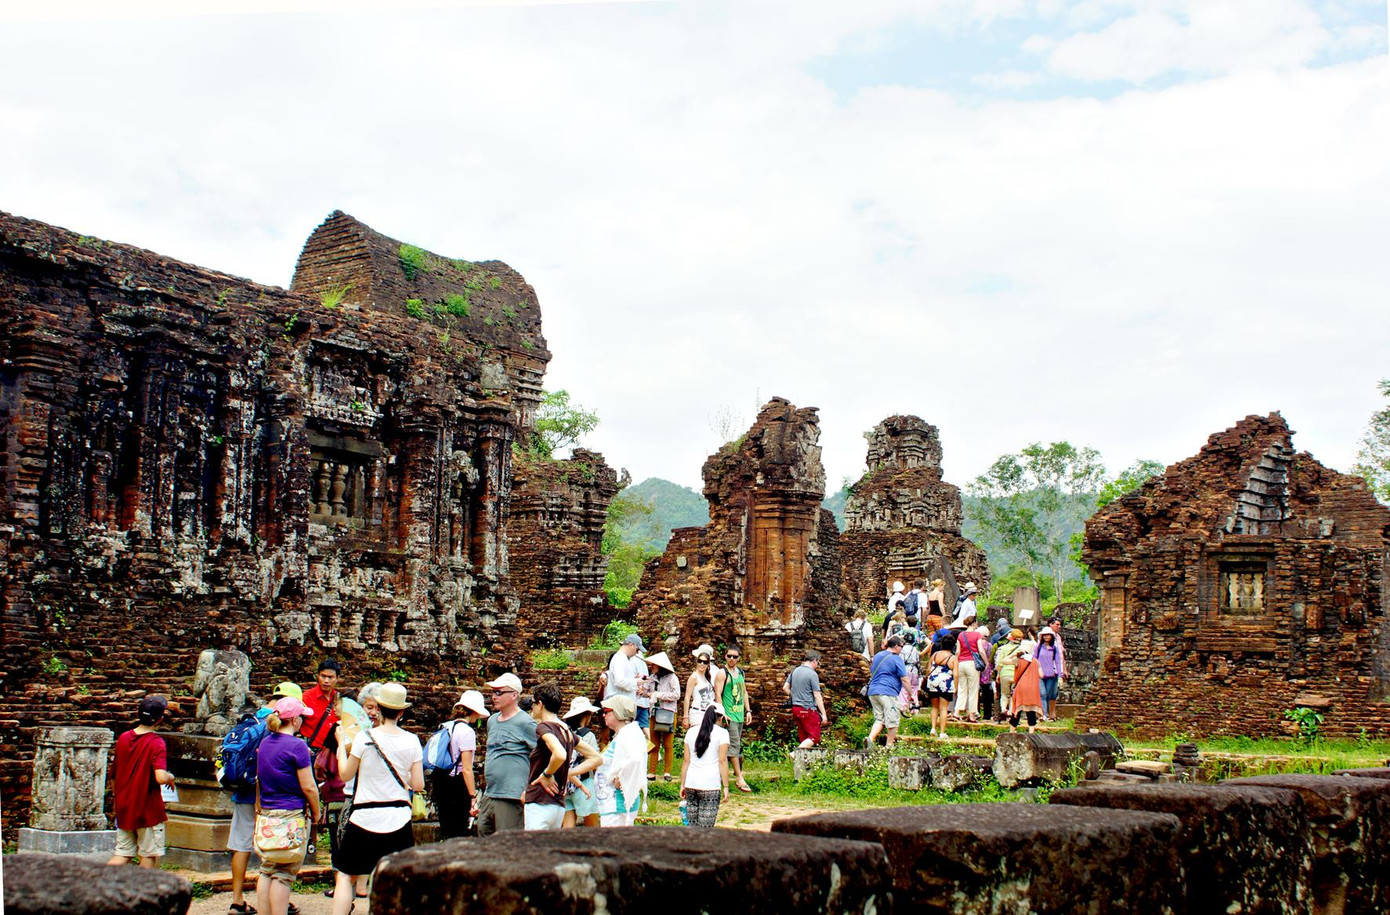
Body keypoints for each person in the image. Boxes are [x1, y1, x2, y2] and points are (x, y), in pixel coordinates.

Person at [330, 683, 421, 915]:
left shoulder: (364, 738)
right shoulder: (412, 740)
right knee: (398, 877)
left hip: (364, 816)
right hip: (398, 816)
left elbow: (345, 775)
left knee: (346, 875)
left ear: (379, 708)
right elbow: (418, 784)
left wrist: (341, 745)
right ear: (402, 711)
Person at [255, 697, 321, 915]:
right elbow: (309, 786)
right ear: (294, 720)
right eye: (301, 717)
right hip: (291, 814)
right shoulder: (297, 746)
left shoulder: (265, 743)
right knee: (284, 873)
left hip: (268, 813)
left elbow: (259, 779)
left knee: (267, 869)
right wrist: (316, 812)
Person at [107, 696, 174, 869]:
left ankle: (98, 879)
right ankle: (142, 886)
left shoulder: (124, 738)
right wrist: (170, 777)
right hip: (147, 808)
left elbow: (113, 774)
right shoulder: (156, 743)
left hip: (125, 805)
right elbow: (160, 777)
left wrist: (116, 799)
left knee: (123, 853)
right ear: (160, 719)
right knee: (148, 855)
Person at [524, 683, 599, 830]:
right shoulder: (566, 731)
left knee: (533, 844)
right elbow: (596, 758)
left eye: (533, 702)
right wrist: (570, 774)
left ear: (540, 704)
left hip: (539, 801)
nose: (532, 706)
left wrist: (547, 774)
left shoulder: (544, 727)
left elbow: (559, 754)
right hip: (557, 804)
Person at [223, 702, 271, 915]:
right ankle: (274, 897)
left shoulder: (249, 722)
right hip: (267, 796)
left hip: (243, 792)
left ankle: (237, 899)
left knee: (241, 846)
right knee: (271, 848)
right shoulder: (274, 725)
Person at [476, 673, 537, 836]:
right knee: (484, 838)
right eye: (493, 692)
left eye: (499, 692)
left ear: (514, 695)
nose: (494, 697)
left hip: (512, 794)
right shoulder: (492, 720)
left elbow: (542, 755)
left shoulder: (526, 723)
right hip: (490, 793)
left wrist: (531, 788)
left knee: (508, 841)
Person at [431, 689, 486, 840]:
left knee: (446, 829)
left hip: (441, 781)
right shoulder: (467, 732)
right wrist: (472, 796)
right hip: (457, 784)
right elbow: (466, 769)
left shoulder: (446, 726)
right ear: (474, 711)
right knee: (459, 831)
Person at [596, 695, 647, 826]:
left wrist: (620, 779)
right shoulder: (626, 733)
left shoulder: (627, 734)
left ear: (618, 712)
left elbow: (635, 759)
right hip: (613, 804)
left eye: (606, 711)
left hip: (617, 805)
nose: (603, 715)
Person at [679, 704, 730, 828]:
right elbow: (722, 761)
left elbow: (686, 761)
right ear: (720, 718)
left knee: (692, 827)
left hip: (691, 783)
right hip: (710, 785)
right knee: (705, 829)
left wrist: (682, 785)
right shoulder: (722, 733)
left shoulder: (691, 732)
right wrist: (726, 786)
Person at [561, 698, 603, 827]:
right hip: (584, 782)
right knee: (592, 824)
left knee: (567, 824)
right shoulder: (588, 735)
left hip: (566, 784)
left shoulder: (564, 733)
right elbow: (595, 762)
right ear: (586, 715)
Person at [865, 636, 910, 749]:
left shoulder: (878, 656)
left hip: (873, 691)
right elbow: (904, 679)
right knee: (893, 720)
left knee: (879, 719)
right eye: (901, 646)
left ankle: (870, 738)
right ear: (896, 646)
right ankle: (889, 746)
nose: (901, 649)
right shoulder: (896, 659)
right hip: (888, 691)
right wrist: (911, 694)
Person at [720, 645, 753, 793]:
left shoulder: (740, 673)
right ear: (725, 656)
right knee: (734, 745)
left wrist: (748, 710)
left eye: (734, 657)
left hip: (739, 714)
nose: (731, 659)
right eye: (729, 656)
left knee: (735, 745)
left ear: (739, 658)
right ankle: (739, 778)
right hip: (729, 715)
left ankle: (727, 773)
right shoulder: (723, 673)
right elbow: (717, 693)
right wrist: (722, 712)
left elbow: (744, 692)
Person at [645, 652, 682, 782]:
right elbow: (647, 692)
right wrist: (643, 690)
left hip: (668, 713)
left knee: (668, 744)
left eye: (654, 665)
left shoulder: (672, 678)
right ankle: (652, 771)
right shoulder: (652, 678)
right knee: (654, 744)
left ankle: (667, 771)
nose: (651, 666)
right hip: (654, 713)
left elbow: (676, 694)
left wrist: (658, 695)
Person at [784, 650, 827, 748]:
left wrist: (795, 696)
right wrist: (824, 714)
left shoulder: (795, 671)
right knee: (814, 737)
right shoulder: (812, 674)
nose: (817, 666)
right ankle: (794, 754)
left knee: (804, 738)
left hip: (796, 709)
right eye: (818, 663)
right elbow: (817, 695)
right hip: (807, 709)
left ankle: (800, 757)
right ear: (814, 661)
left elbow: (785, 688)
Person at [300, 660, 341, 753]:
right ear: (318, 676)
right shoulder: (306, 698)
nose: (326, 681)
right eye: (323, 676)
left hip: (331, 752)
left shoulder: (339, 699)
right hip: (311, 750)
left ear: (337, 678)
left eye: (330, 677)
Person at [924, 631, 958, 739]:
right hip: (945, 683)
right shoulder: (953, 658)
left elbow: (928, 669)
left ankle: (933, 728)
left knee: (934, 707)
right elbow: (956, 674)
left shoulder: (935, 655)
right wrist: (956, 687)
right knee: (944, 708)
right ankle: (942, 732)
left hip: (933, 682)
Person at [683, 644, 724, 732]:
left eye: (705, 662)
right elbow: (687, 697)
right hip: (697, 712)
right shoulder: (694, 677)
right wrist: (685, 717)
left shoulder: (707, 677)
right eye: (700, 661)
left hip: (708, 713)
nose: (702, 664)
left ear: (708, 664)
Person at [953, 616, 984, 723]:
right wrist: (986, 662)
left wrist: (956, 663)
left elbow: (957, 652)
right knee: (973, 690)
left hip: (961, 663)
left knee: (962, 689)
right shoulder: (977, 635)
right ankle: (972, 714)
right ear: (974, 623)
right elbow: (981, 651)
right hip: (972, 663)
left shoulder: (961, 635)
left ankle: (957, 712)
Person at [1007, 648, 1044, 733]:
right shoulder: (1035, 661)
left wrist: (1012, 654)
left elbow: (1003, 661)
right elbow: (1041, 675)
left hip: (1021, 687)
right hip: (1032, 688)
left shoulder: (1018, 660)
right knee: (1031, 710)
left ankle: (1011, 732)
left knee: (1017, 709)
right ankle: (1031, 733)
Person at [603, 634, 645, 707]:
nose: (637, 653)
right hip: (619, 704)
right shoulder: (620, 659)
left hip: (622, 703)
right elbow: (620, 681)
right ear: (631, 645)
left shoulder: (623, 658)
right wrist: (636, 682)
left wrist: (634, 679)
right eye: (637, 649)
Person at [993, 629, 1025, 722]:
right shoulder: (1022, 650)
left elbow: (999, 663)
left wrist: (998, 675)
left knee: (1004, 694)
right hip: (1016, 673)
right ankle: (1011, 712)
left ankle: (1003, 709)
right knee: (1013, 694)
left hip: (1004, 673)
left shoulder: (1002, 648)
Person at [1036, 627, 1065, 720]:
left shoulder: (1054, 649)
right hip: (1040, 674)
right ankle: (1043, 714)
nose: (1046, 637)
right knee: (1042, 694)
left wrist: (1060, 675)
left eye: (1048, 635)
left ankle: (1048, 714)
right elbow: (1034, 659)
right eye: (1044, 635)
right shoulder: (1038, 647)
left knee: (1049, 694)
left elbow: (1058, 662)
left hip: (1051, 674)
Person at [899, 630, 923, 714]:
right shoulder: (915, 649)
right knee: (914, 689)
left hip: (906, 669)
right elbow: (918, 662)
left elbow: (901, 661)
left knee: (904, 689)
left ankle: (904, 708)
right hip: (914, 670)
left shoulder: (902, 649)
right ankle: (915, 708)